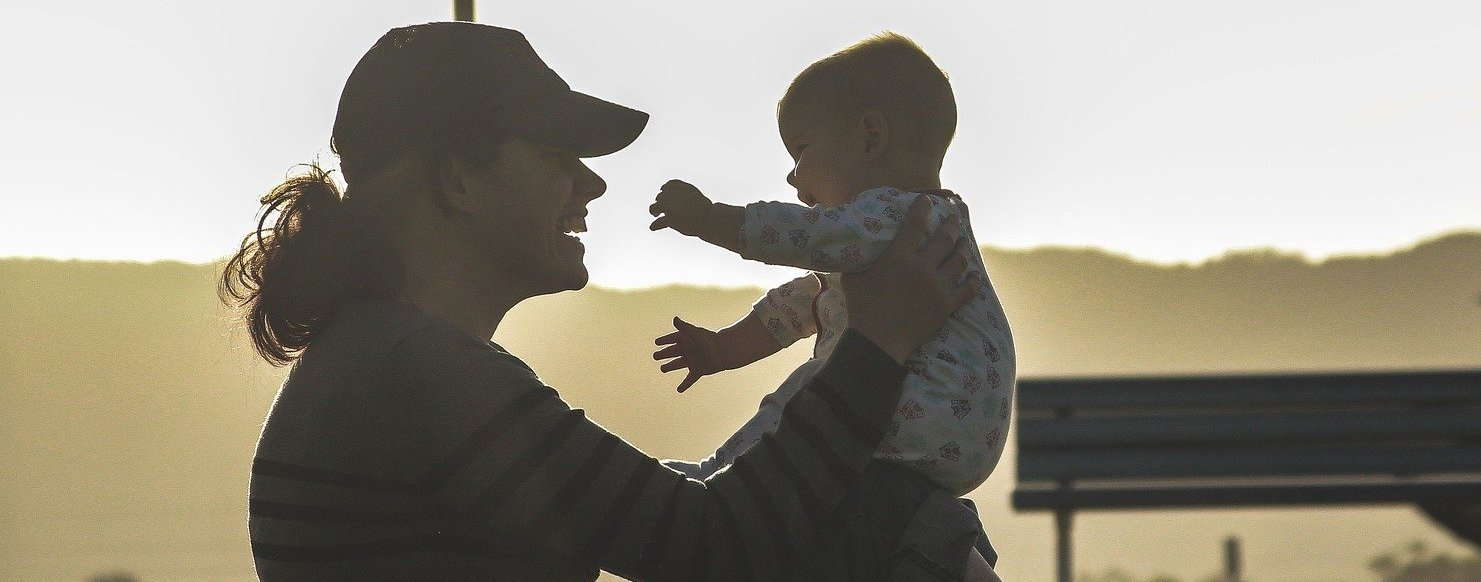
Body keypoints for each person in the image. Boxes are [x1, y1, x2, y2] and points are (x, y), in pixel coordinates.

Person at [224, 22, 979, 581]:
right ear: (457, 180)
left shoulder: (379, 359)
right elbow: (712, 546)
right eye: (559, 157)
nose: (592, 185)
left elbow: (665, 523)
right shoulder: (419, 374)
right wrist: (879, 344)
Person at [645, 32, 1010, 579]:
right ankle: (713, 481)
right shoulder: (915, 233)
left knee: (803, 401)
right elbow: (804, 305)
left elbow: (800, 235)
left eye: (802, 152)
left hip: (920, 412)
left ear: (870, 137)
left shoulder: (896, 214)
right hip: (952, 436)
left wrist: (710, 219)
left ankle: (713, 484)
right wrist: (723, 347)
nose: (793, 176)